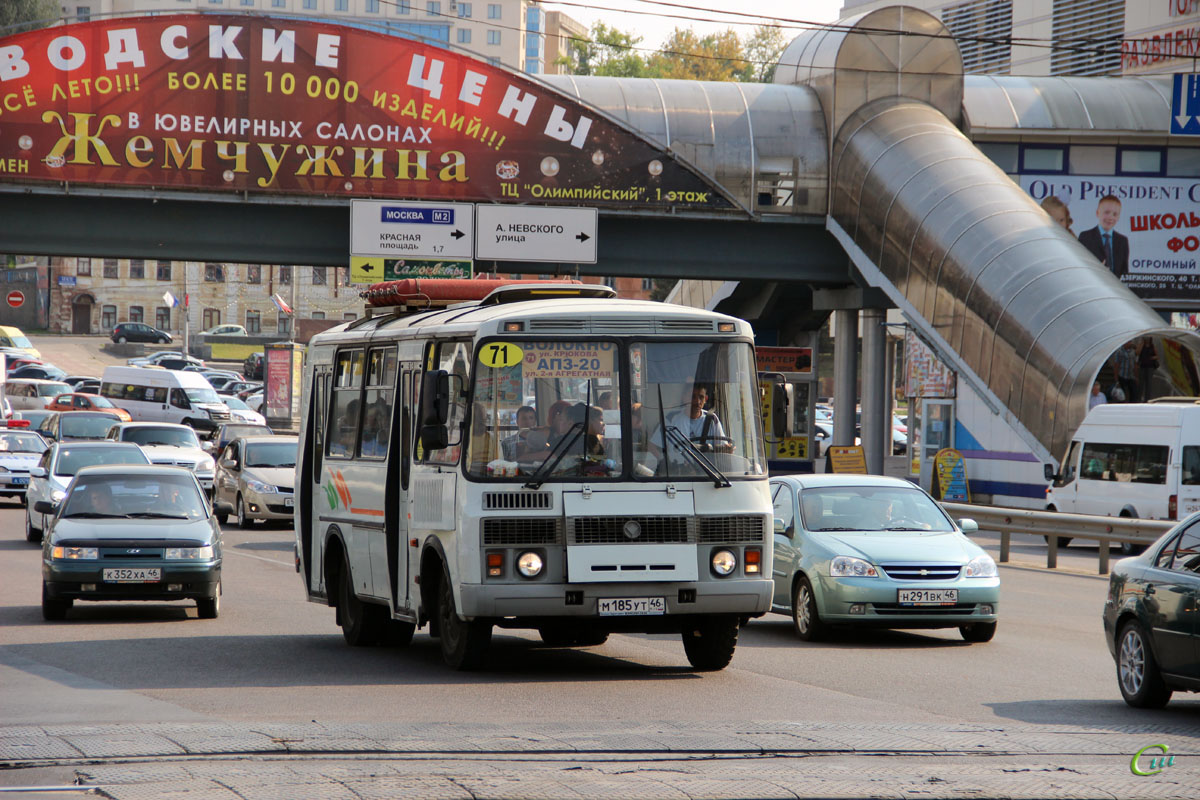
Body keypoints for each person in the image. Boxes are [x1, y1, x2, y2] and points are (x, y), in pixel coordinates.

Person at [1078, 194, 1129, 277]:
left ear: (1119, 217)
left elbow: (1125, 272)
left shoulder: (1123, 241)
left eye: (1115, 214)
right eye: (1107, 212)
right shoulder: (1085, 237)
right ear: (1097, 213)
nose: (1110, 217)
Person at [1138, 337, 1158, 402]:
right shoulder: (1142, 345)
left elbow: (1157, 356)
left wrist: (1153, 357)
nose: (1147, 340)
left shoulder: (1152, 346)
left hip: (1150, 367)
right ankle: (1139, 398)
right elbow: (1137, 353)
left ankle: (1147, 399)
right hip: (1142, 366)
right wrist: (1142, 343)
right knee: (1141, 383)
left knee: (1149, 384)